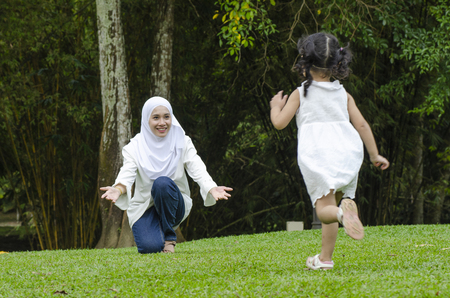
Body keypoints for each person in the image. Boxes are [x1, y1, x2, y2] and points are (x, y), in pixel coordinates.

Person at [270, 32, 389, 270]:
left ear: (304, 62)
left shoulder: (300, 93)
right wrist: (375, 155)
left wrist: (276, 107)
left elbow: (280, 123)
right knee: (332, 203)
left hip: (318, 153)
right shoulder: (342, 93)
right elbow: (362, 124)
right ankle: (325, 259)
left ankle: (344, 216)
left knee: (324, 209)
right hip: (346, 150)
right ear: (336, 63)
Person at [100, 96, 232, 254]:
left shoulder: (182, 141)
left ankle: (170, 239)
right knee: (150, 248)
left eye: (166, 117)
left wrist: (211, 187)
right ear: (146, 120)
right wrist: (118, 188)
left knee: (162, 183)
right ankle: (157, 234)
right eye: (156, 117)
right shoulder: (135, 146)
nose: (162, 123)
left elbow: (196, 166)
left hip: (175, 203)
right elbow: (127, 172)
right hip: (146, 206)